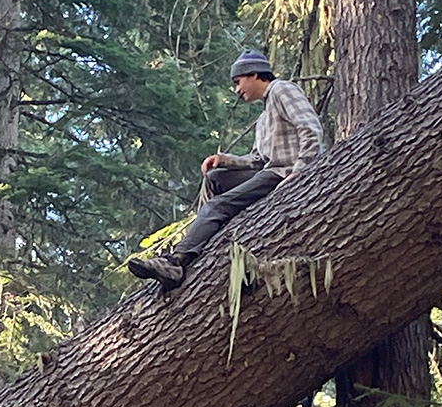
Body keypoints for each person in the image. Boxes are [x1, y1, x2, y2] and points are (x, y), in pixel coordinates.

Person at [128, 49, 324, 290]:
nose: (237, 90)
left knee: (216, 204)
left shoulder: (282, 89)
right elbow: (257, 159)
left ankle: (178, 261)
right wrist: (225, 160)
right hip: (269, 171)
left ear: (254, 74)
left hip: (283, 174)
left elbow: (310, 128)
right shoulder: (263, 118)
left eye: (237, 82)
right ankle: (205, 238)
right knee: (214, 178)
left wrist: (301, 172)